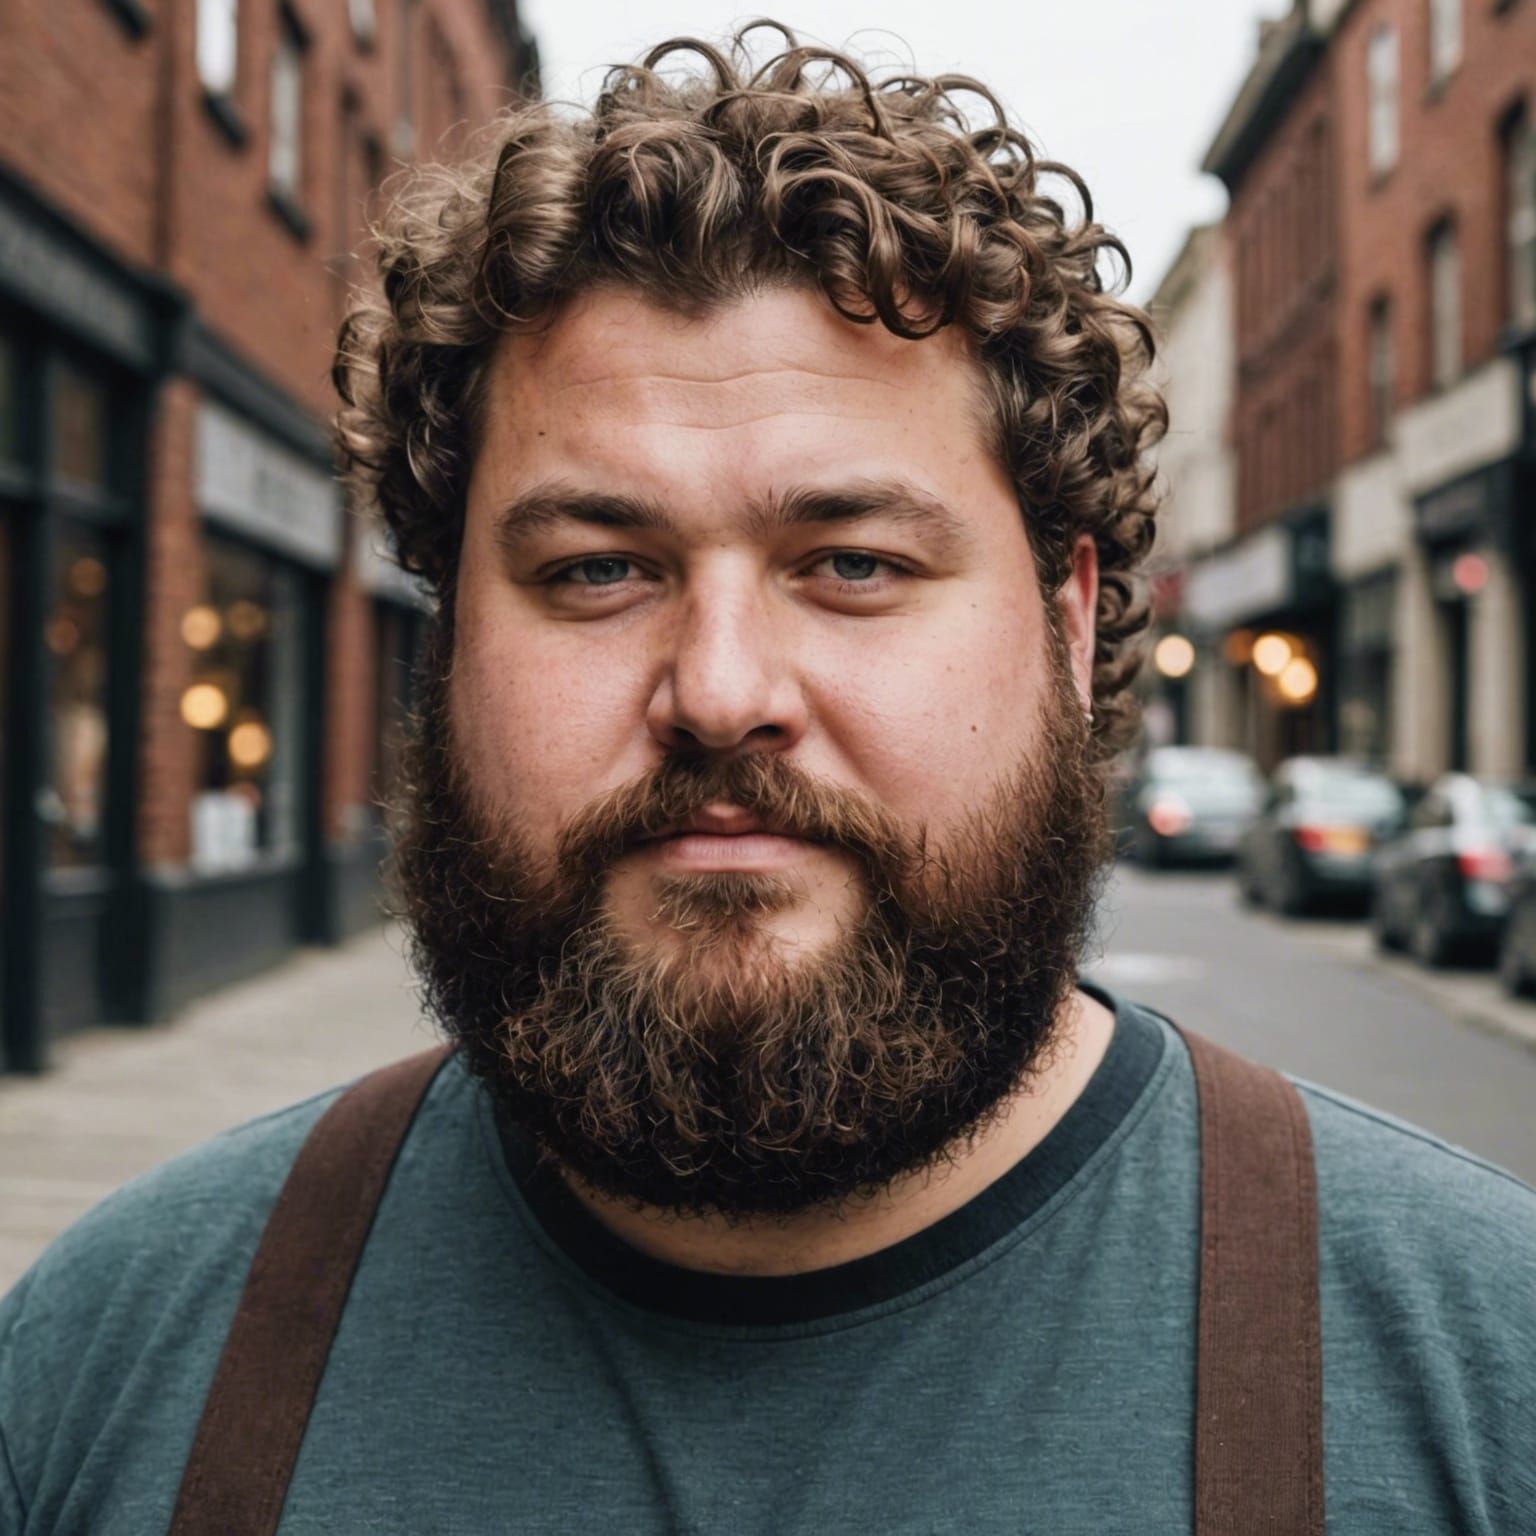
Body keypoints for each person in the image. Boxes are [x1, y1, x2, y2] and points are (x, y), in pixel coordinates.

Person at [3, 25, 1534, 1534]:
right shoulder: (109, 1372)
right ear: (451, 634)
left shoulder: (1479, 1377)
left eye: (853, 563)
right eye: (597, 568)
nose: (721, 692)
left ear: (1068, 627)